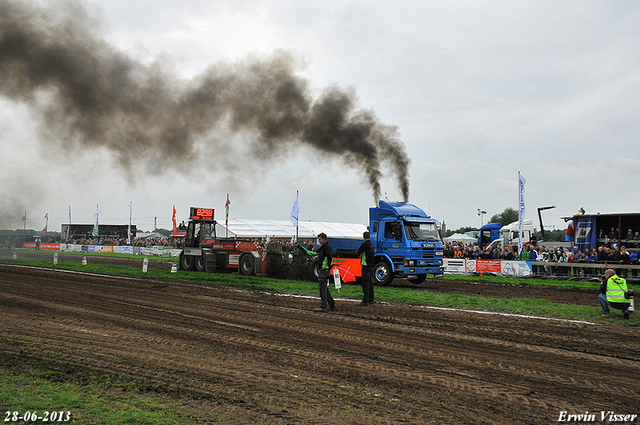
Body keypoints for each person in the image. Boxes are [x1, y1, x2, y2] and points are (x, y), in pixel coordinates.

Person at [310, 233, 337, 312]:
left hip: (324, 269)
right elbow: (315, 253)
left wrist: (328, 266)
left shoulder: (327, 247)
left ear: (324, 239)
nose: (319, 241)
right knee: (324, 286)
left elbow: (329, 258)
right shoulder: (323, 247)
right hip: (324, 269)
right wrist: (307, 252)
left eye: (320, 239)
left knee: (322, 288)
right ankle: (332, 304)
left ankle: (323, 306)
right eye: (318, 239)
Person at [356, 231, 375, 306]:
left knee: (365, 283)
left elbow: (359, 253)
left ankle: (365, 300)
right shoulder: (371, 245)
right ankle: (371, 299)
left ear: (363, 237)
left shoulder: (364, 245)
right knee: (370, 283)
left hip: (366, 265)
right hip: (371, 265)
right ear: (369, 237)